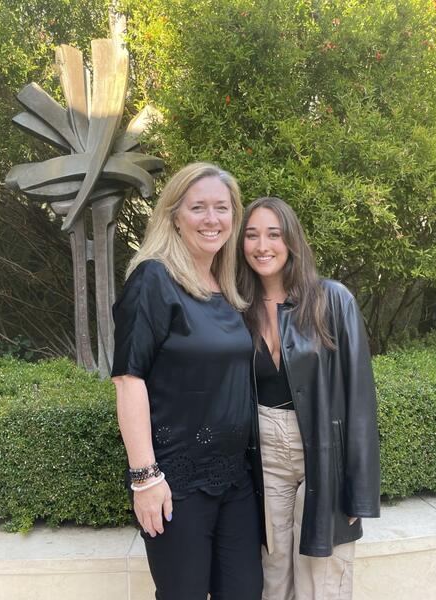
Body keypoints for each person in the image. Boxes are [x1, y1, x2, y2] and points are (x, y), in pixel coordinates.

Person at [111, 163, 263, 600]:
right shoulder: (153, 279)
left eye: (222, 208)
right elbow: (128, 378)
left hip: (235, 479)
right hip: (174, 482)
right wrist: (145, 478)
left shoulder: (229, 286)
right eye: (198, 208)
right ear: (174, 215)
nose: (211, 219)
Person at [238, 196, 381, 600]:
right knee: (273, 570)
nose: (262, 245)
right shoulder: (236, 308)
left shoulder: (332, 299)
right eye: (251, 235)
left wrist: (360, 488)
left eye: (273, 234)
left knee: (322, 574)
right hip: (264, 449)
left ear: (291, 241)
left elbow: (360, 397)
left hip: (321, 447)